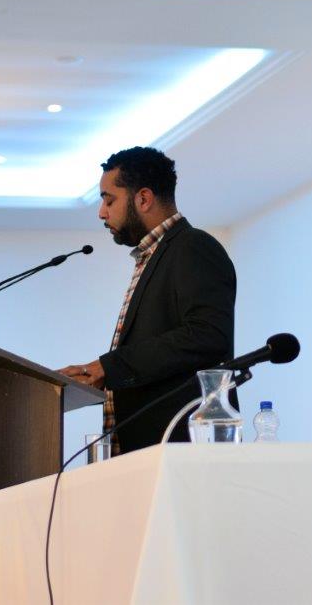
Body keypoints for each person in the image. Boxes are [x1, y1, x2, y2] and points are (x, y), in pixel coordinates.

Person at [58, 146, 236, 453]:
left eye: (109, 200)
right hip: (146, 451)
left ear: (143, 198)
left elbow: (208, 335)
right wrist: (102, 374)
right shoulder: (154, 256)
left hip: (179, 451)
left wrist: (110, 367)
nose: (102, 213)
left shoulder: (193, 247)